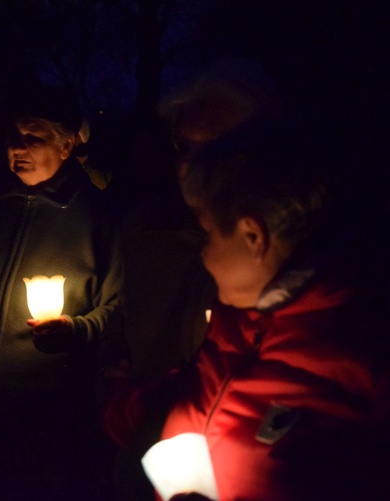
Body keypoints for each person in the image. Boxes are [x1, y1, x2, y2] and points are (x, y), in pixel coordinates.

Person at [104, 120, 390, 500]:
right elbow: (198, 396)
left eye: (207, 234)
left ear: (253, 237)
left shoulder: (364, 363)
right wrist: (125, 405)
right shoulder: (236, 321)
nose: (202, 253)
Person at [0, 83, 124, 499]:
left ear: (68, 145)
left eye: (32, 138)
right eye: (13, 137)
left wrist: (76, 330)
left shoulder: (98, 217)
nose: (17, 148)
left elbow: (118, 306)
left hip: (45, 415)